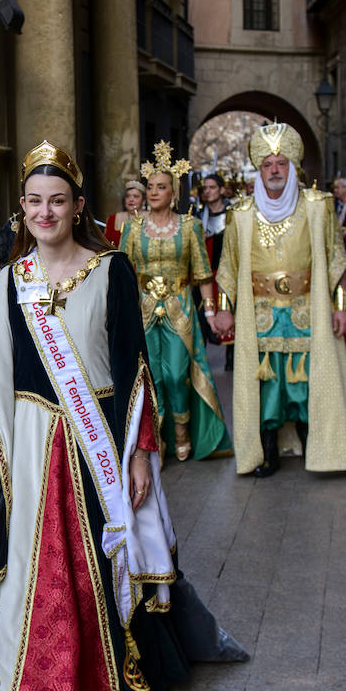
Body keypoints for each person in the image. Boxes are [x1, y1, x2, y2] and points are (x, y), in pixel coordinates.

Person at [0, 140, 248, 691]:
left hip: (99, 442)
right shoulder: (8, 285)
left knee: (106, 563)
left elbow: (135, 368)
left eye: (58, 202)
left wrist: (144, 451)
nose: (46, 213)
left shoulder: (112, 270)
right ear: (23, 208)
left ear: (77, 207)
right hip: (32, 446)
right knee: (38, 573)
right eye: (36, 202)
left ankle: (114, 687)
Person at [210, 124, 346, 477]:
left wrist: (341, 306)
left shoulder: (318, 206)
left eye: (281, 163)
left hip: (308, 308)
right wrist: (223, 309)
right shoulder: (242, 212)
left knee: (308, 378)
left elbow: (336, 259)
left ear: (292, 167)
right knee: (266, 381)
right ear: (259, 171)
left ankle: (318, 445)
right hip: (260, 313)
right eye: (268, 164)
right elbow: (228, 267)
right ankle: (267, 450)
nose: (275, 170)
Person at [120, 143, 231, 462]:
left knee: (176, 374)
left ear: (174, 192)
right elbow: (123, 274)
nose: (153, 192)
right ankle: (158, 436)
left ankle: (183, 431)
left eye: (161, 187)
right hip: (142, 311)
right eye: (150, 187)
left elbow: (202, 274)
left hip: (180, 309)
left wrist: (210, 312)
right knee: (150, 374)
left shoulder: (189, 226)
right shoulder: (132, 227)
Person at [196, 172, 234, 371]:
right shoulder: (198, 216)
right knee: (202, 316)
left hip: (225, 273)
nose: (208, 192)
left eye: (212, 187)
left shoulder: (232, 214)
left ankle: (232, 361)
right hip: (204, 276)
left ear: (221, 189)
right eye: (205, 188)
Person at [103, 179, 146, 247]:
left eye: (136, 196)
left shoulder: (151, 217)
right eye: (128, 196)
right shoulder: (113, 218)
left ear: (143, 201)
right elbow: (106, 244)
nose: (131, 199)